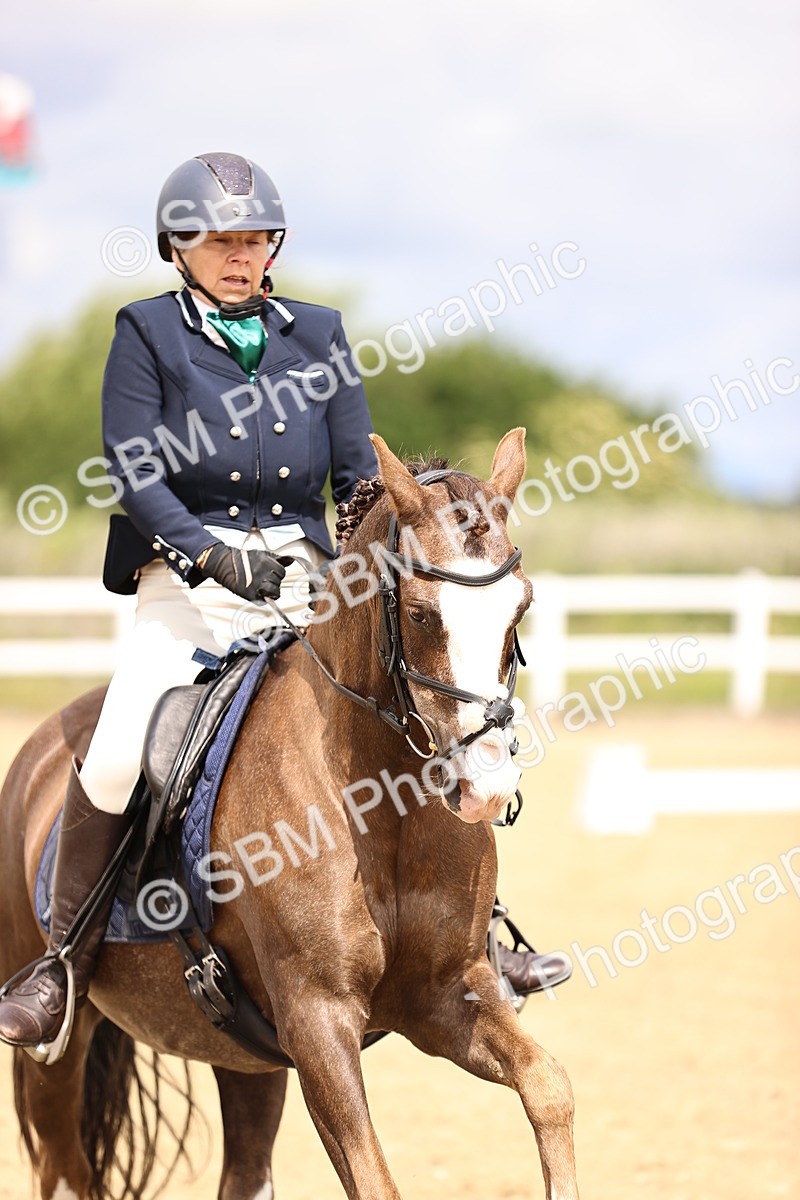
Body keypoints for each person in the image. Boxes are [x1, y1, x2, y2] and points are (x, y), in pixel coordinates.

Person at [0, 152, 569, 1055]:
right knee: (114, 755)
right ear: (177, 247)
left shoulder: (319, 334)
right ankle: (61, 962)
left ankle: (477, 940)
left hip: (306, 582)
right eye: (220, 239)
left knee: (401, 712)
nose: (240, 253)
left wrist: (380, 544)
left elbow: (352, 483)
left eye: (256, 239)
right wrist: (214, 556)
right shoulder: (146, 333)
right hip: (185, 588)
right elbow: (136, 472)